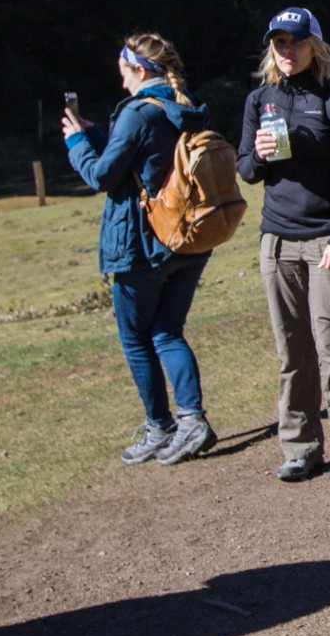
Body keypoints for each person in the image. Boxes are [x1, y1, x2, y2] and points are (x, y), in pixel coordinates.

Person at [236, 7, 330, 485]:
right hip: (277, 242)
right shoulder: (260, 100)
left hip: (327, 240)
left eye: (295, 42)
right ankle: (301, 448)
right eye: (278, 43)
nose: (286, 51)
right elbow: (245, 170)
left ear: (315, 46)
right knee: (291, 352)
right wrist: (257, 156)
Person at [63, 34, 217, 467]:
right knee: (167, 332)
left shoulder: (135, 114)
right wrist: (99, 134)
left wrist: (77, 142)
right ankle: (192, 420)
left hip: (141, 245)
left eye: (125, 75)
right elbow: (141, 160)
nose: (123, 84)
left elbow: (102, 177)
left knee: (136, 338)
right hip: (188, 238)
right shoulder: (187, 105)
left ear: (141, 70)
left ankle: (160, 425)